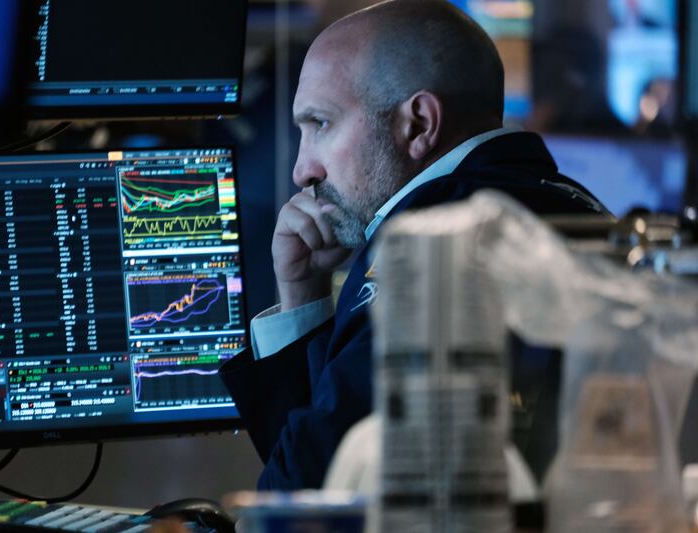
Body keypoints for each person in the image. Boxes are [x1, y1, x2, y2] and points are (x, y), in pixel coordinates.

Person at [220, 0, 608, 490]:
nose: (303, 170)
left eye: (320, 124)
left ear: (420, 124)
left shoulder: (430, 246)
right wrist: (304, 295)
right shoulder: (563, 202)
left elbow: (298, 495)